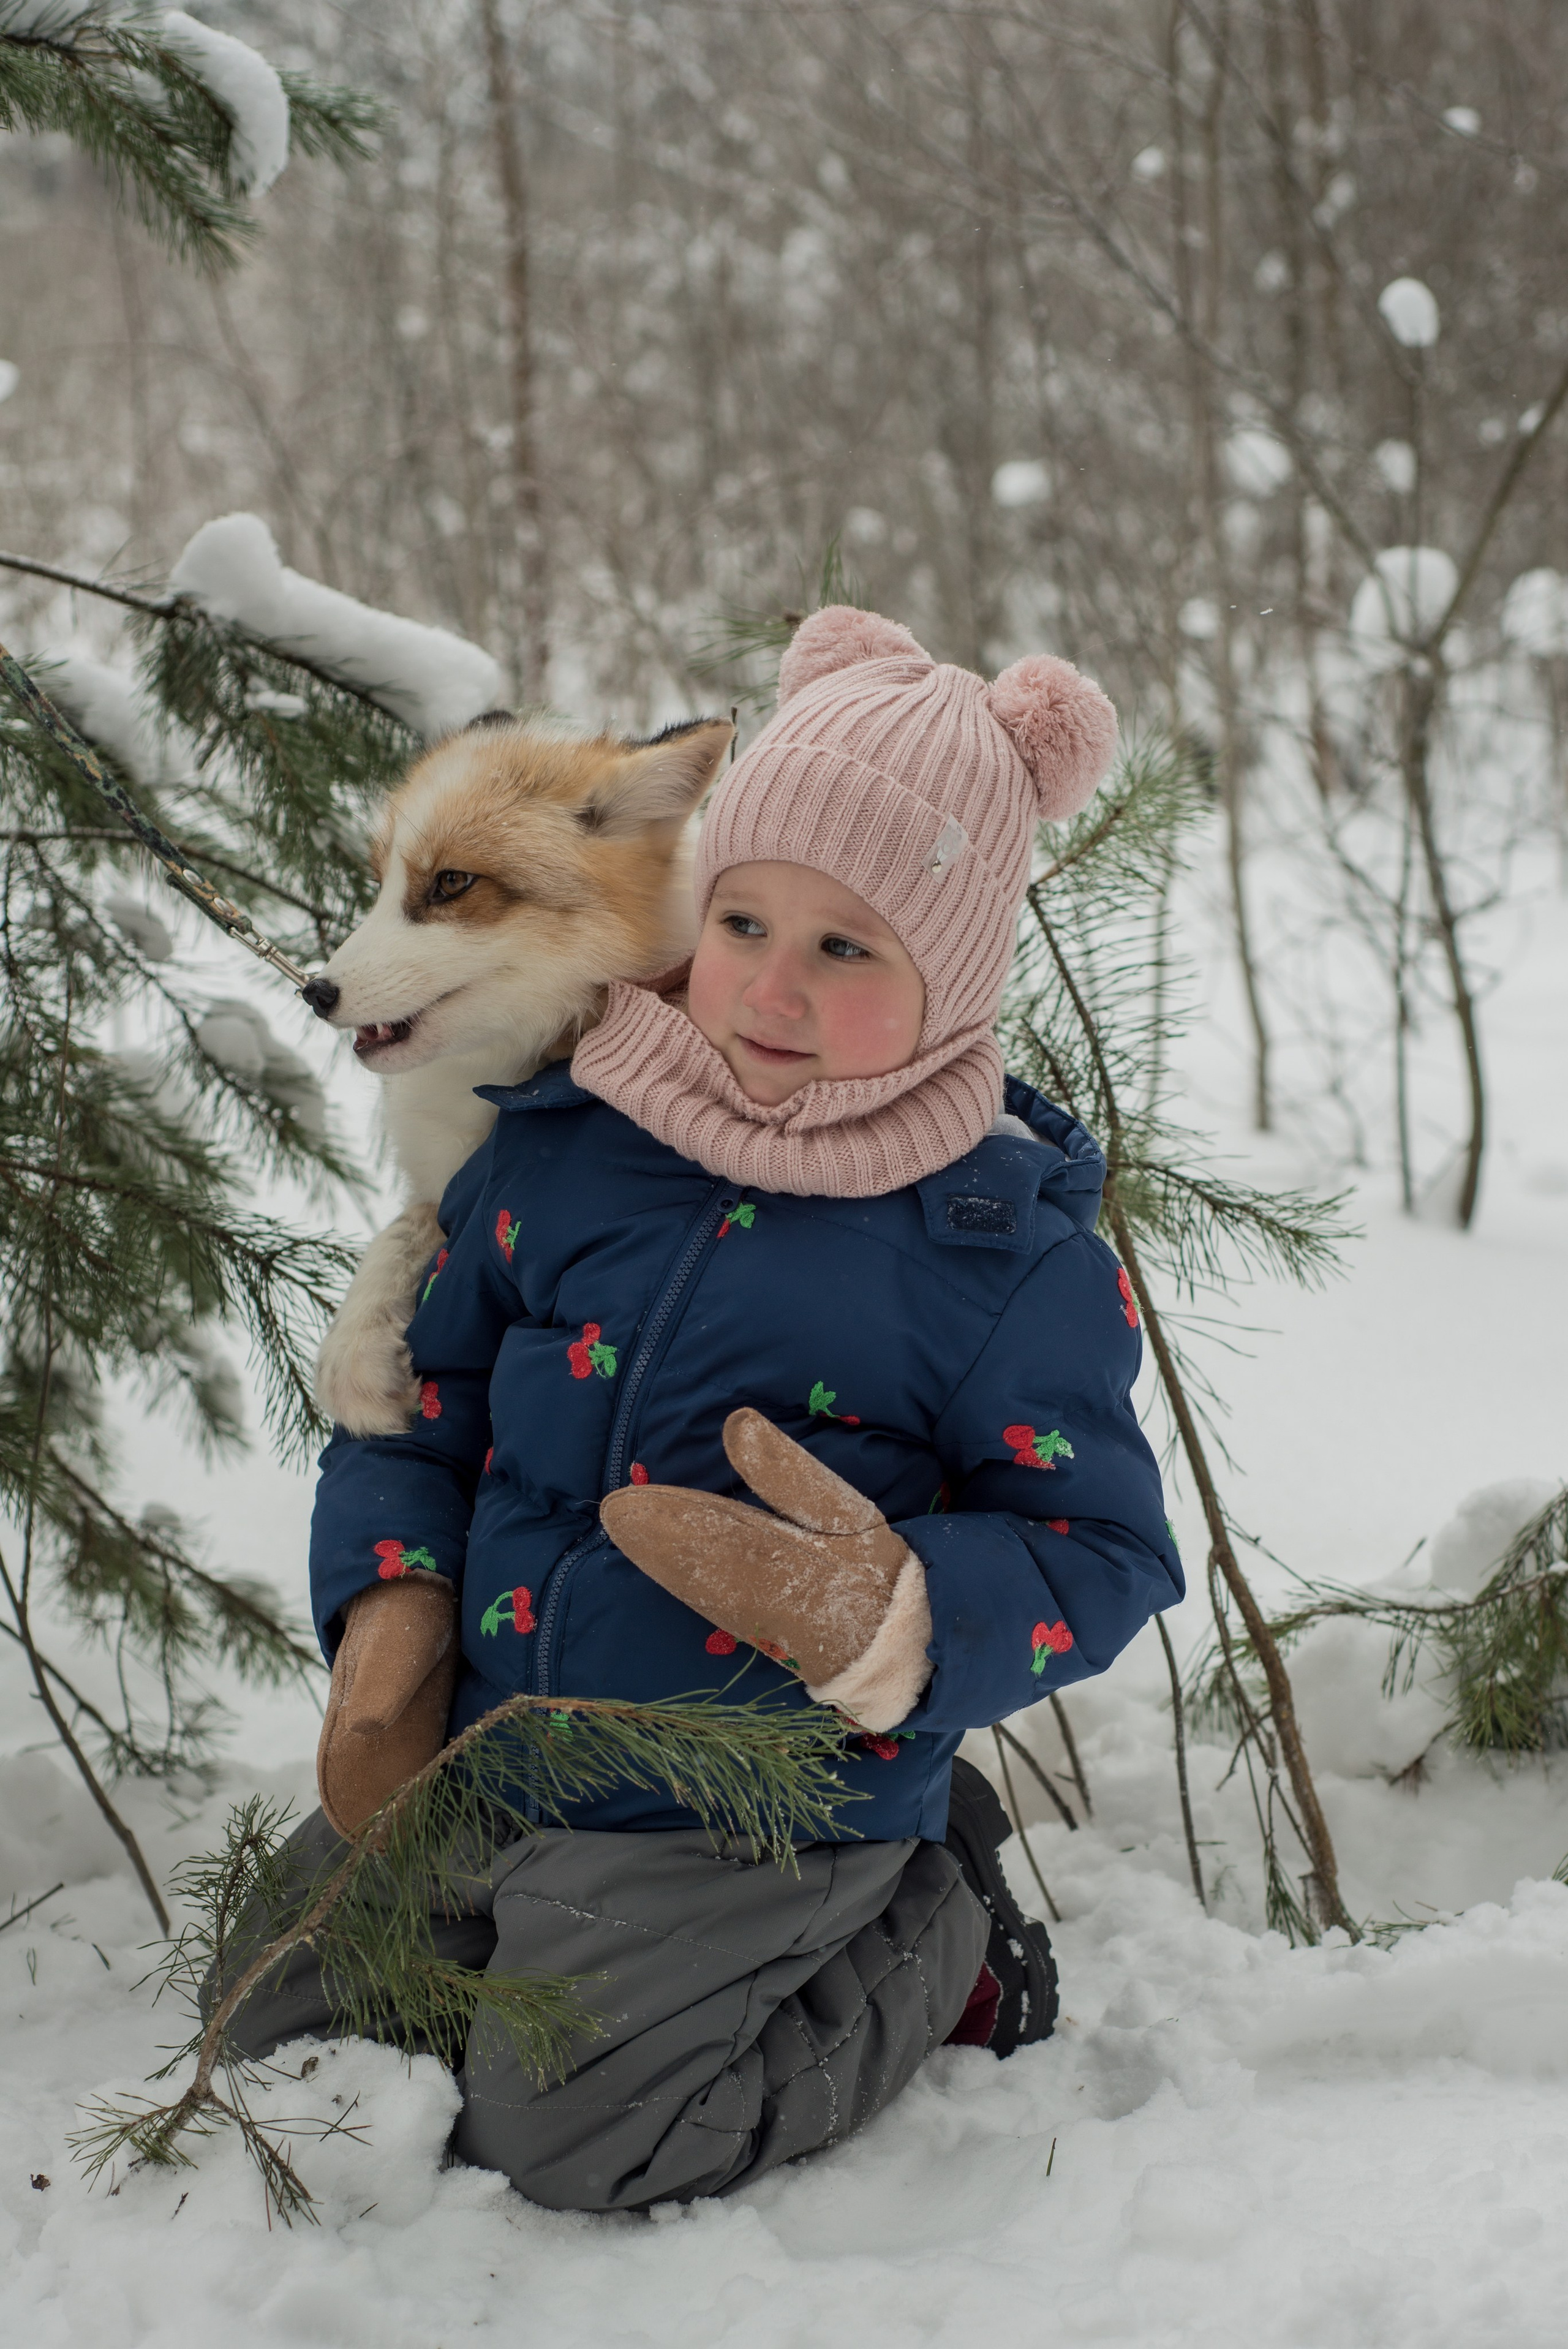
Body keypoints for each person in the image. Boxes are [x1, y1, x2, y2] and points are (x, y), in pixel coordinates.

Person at [235, 605, 1183, 2212]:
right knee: (284, 2031)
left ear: (948, 975)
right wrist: (394, 1607)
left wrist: (894, 1615)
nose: (772, 987)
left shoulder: (996, 1248)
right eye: (743, 921)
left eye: (847, 947)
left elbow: (1102, 1548)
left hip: (755, 1806)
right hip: (500, 1740)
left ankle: (935, 1926)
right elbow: (420, 1404)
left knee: (582, 2138)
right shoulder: (568, 1138)